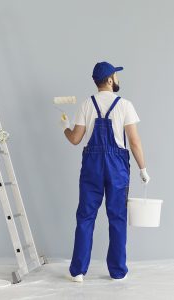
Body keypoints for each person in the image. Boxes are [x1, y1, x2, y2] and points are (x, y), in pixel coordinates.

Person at [60, 61, 150, 283]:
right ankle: (118, 271)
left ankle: (78, 271)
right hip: (117, 166)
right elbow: (135, 142)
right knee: (117, 217)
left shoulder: (86, 105)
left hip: (92, 165)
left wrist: (64, 126)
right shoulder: (125, 105)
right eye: (116, 76)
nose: (117, 79)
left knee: (85, 216)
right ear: (109, 80)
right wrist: (143, 169)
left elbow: (75, 139)